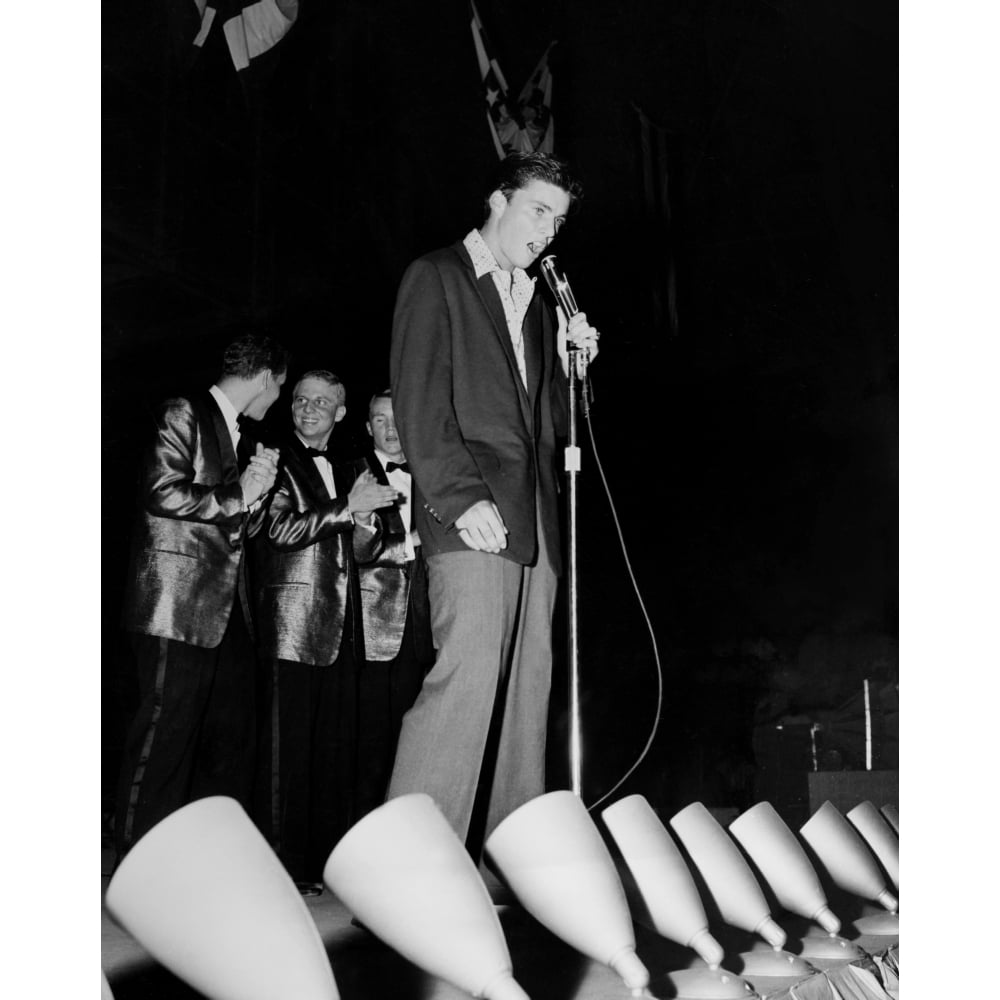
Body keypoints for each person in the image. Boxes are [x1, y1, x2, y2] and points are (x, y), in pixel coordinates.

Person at [386, 151, 600, 860]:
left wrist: (577, 369)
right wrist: (456, 496)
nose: (548, 231)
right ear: (497, 201)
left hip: (535, 524)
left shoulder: (539, 306)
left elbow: (556, 432)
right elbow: (420, 401)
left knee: (525, 696)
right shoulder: (438, 276)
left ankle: (511, 865)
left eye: (559, 220)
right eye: (539, 210)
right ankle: (411, 869)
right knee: (468, 683)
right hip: (471, 511)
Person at [116, 333, 289, 858]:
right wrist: (241, 494)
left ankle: (201, 852)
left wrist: (254, 498)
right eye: (280, 387)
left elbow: (231, 518)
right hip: (175, 603)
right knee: (165, 733)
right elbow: (162, 490)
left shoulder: (235, 435)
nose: (277, 399)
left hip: (222, 608)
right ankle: (137, 857)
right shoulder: (183, 411)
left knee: (222, 733)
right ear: (264, 378)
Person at [251, 370, 398, 892]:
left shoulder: (352, 464)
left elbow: (364, 546)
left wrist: (364, 523)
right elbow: (278, 530)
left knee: (332, 753)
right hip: (291, 626)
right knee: (284, 757)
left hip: (344, 630)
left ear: (340, 413)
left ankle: (323, 867)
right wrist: (345, 510)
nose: (308, 408)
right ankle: (279, 872)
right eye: (301, 399)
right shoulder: (270, 456)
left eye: (322, 402)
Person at [351, 389, 435, 820]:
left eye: (397, 418)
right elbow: (356, 548)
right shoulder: (355, 475)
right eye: (380, 420)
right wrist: (410, 543)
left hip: (422, 627)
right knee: (368, 739)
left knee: (413, 734)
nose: (390, 429)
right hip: (370, 627)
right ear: (368, 428)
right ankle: (365, 831)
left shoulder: (433, 475)